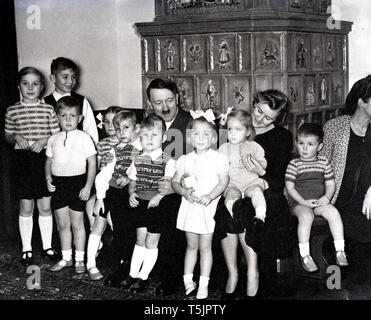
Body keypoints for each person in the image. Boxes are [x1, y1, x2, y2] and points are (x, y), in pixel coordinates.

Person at [216, 89, 294, 299]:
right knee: (224, 206)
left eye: (268, 117)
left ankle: (253, 273)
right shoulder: (235, 125)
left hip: (265, 191)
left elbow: (278, 180)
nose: (259, 118)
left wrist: (260, 172)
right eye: (258, 110)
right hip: (232, 186)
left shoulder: (282, 136)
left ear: (278, 119)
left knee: (248, 209)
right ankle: (231, 273)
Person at [4, 66, 61, 266]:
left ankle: (47, 247)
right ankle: (26, 248)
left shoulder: (48, 109)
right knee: (26, 206)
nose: (30, 88)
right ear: (18, 86)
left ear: (42, 86)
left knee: (45, 206)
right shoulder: (12, 110)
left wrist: (45, 140)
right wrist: (16, 136)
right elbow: (8, 135)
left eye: (35, 83)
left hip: (43, 161)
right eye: (25, 83)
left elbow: (57, 135)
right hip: (22, 163)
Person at [172, 114, 229, 299]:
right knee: (191, 246)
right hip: (190, 208)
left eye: (206, 134)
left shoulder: (218, 158)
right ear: (189, 137)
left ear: (213, 137)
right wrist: (182, 191)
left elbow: (223, 182)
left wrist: (210, 196)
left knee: (205, 247)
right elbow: (174, 182)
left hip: (207, 207)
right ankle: (188, 280)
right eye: (197, 134)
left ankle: (204, 283)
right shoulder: (185, 159)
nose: (201, 138)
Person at [321, 75, 371, 276]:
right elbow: (319, 166)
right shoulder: (335, 127)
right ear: (361, 102)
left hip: (366, 201)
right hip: (339, 200)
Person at [120, 114, 176, 293]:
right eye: (145, 136)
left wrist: (158, 197)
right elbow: (133, 180)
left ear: (164, 137)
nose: (149, 140)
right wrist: (131, 193)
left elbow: (167, 185)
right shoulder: (137, 159)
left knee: (152, 242)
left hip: (158, 205)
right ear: (139, 136)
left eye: (154, 135)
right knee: (140, 240)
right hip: (141, 204)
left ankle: (143, 277)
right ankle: (132, 274)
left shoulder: (168, 161)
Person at [285, 123, 348, 272]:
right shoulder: (294, 164)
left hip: (318, 201)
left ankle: (340, 250)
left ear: (319, 146)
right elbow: (290, 188)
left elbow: (331, 184)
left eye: (310, 144)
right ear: (296, 143)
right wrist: (303, 202)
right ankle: (305, 255)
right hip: (298, 203)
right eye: (301, 143)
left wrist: (326, 197)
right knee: (306, 216)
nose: (305, 148)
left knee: (333, 212)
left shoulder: (324, 162)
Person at [45, 96, 96, 274]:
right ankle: (66, 258)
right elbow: (49, 161)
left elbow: (92, 162)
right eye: (64, 115)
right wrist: (48, 178)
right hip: (59, 185)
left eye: (72, 116)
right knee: (63, 224)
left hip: (78, 184)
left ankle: (80, 259)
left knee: (78, 224)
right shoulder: (53, 139)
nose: (68, 120)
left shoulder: (85, 138)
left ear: (79, 118)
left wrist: (88, 186)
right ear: (57, 117)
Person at [86, 110, 140, 280]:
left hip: (128, 194)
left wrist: (129, 177)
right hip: (110, 192)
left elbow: (142, 171)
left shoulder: (141, 149)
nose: (121, 132)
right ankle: (90, 264)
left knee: (123, 228)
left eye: (126, 127)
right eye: (118, 129)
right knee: (98, 225)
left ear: (136, 128)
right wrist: (100, 198)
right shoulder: (115, 150)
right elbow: (103, 175)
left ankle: (125, 262)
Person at [219, 109, 268, 222]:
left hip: (251, 182)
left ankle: (260, 216)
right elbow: (216, 166)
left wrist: (257, 164)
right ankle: (234, 214)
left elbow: (263, 163)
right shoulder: (223, 148)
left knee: (257, 191)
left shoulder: (254, 146)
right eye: (230, 129)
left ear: (248, 132)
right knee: (231, 196)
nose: (232, 133)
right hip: (232, 184)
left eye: (238, 129)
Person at [85, 106, 123, 252]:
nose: (111, 126)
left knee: (113, 216)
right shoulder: (102, 144)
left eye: (115, 122)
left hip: (118, 186)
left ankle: (119, 242)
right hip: (103, 185)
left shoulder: (127, 143)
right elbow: (98, 167)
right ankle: (96, 237)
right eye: (107, 122)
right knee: (90, 205)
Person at [43, 57, 99, 145]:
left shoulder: (82, 101)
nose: (70, 81)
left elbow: (91, 131)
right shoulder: (44, 103)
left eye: (73, 77)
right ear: (53, 78)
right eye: (65, 77)